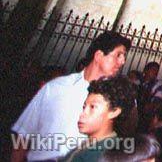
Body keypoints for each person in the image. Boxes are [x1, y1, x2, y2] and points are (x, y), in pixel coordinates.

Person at [11, 31, 131, 161]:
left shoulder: (117, 99)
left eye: (124, 57)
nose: (123, 61)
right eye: (118, 55)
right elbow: (25, 132)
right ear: (98, 55)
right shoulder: (56, 87)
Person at [62, 76, 138, 161]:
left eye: (93, 107)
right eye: (84, 107)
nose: (82, 114)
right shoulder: (91, 144)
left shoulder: (108, 154)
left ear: (114, 112)